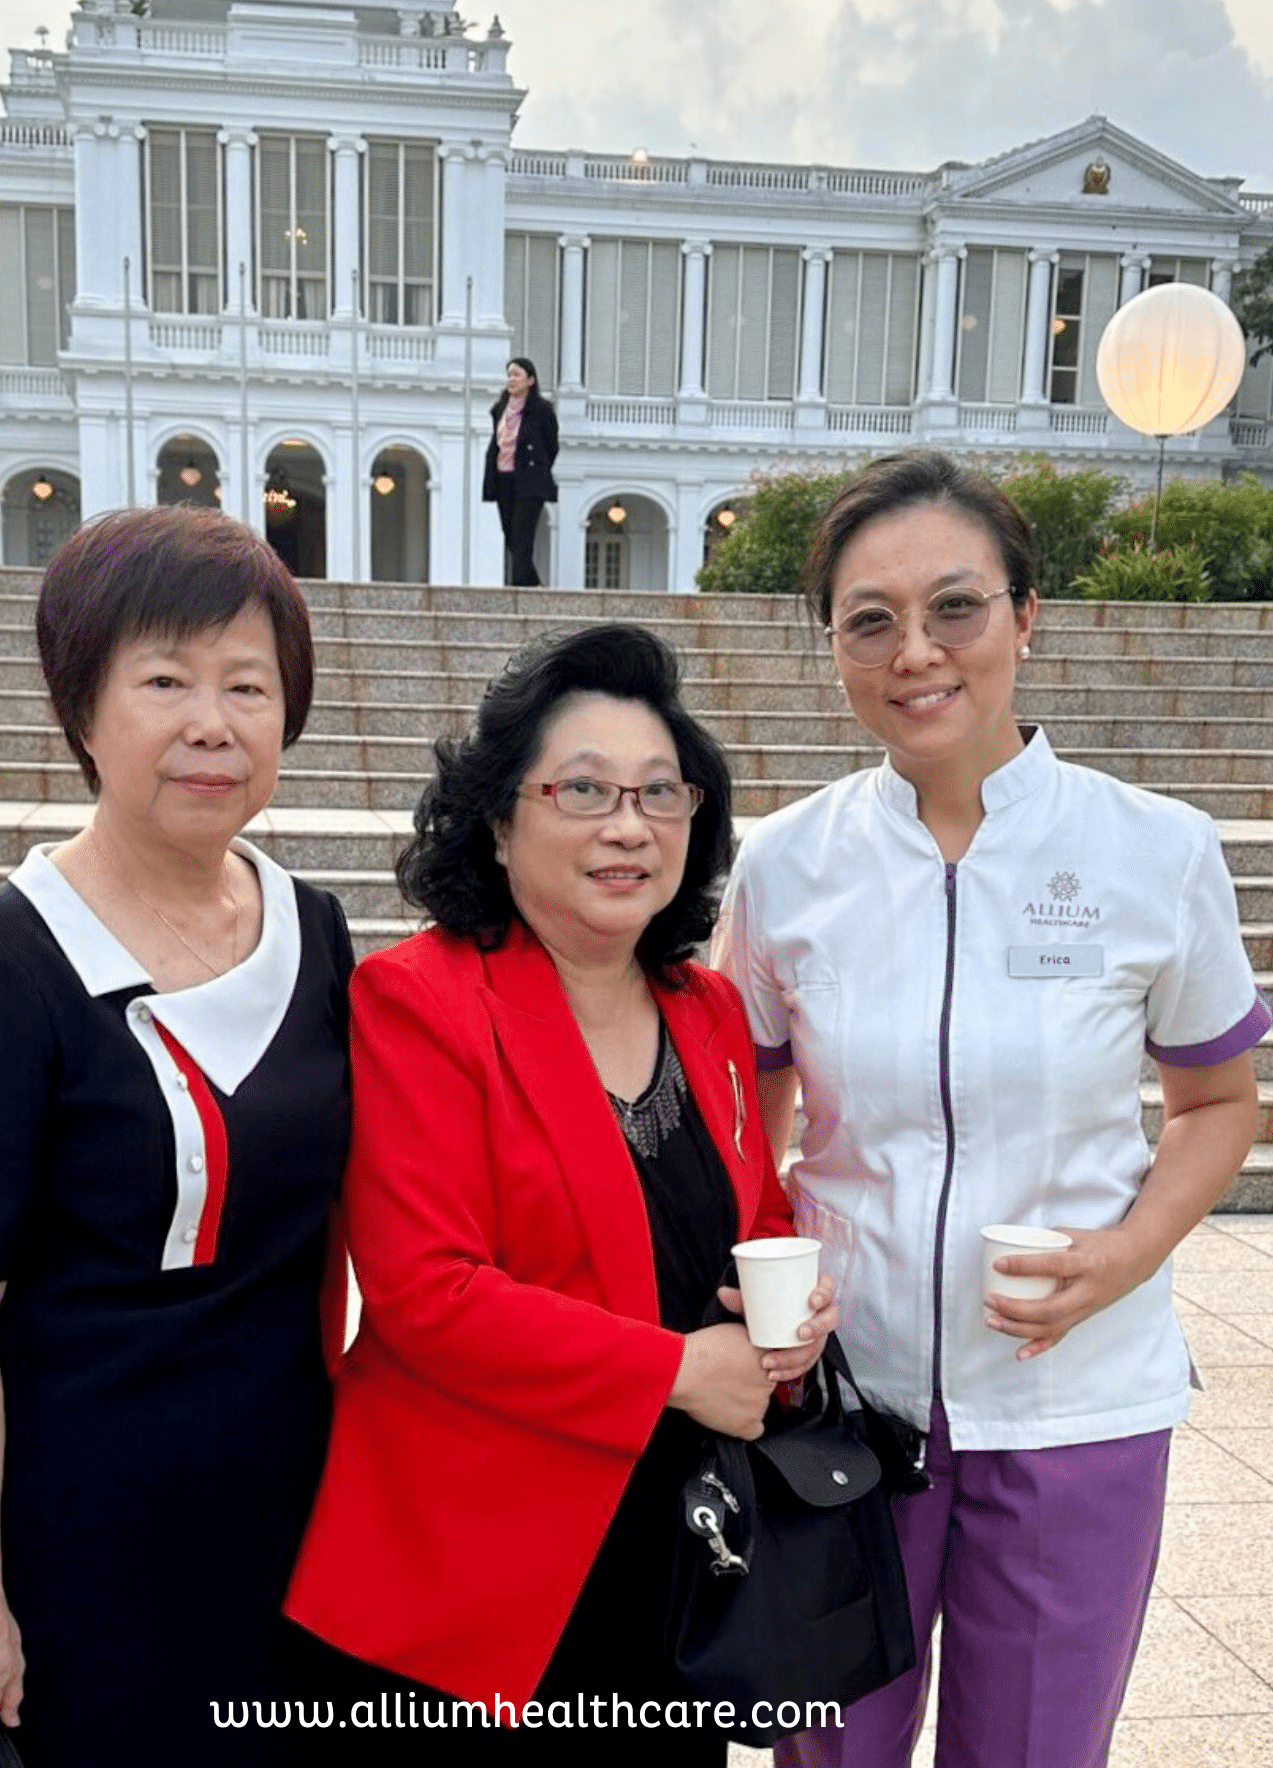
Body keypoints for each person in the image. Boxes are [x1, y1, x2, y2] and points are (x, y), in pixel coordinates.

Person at [712, 450, 1266, 1768]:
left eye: (955, 607)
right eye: (870, 621)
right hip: (845, 1408)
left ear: (1026, 615)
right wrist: (762, 1285)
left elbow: (1218, 1102)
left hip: (1075, 1404)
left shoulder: (1155, 850)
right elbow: (753, 1106)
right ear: (833, 647)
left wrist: (1125, 1257)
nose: (916, 653)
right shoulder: (788, 866)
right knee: (830, 1752)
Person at [285, 623, 839, 1760]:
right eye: (582, 790)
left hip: (678, 1553)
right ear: (498, 820)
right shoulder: (420, 1001)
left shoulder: (708, 1010)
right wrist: (682, 1370)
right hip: (481, 1578)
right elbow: (427, 1295)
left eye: (660, 793)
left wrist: (791, 1319)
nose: (629, 826)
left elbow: (753, 1216)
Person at [0, 507, 353, 1763]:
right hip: (77, 1537)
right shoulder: (0, 966)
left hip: (286, 1513)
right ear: (81, 710)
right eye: (165, 680)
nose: (214, 722)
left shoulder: (316, 929)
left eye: (249, 685)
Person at [482, 355, 558, 586]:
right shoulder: (499, 410)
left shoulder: (542, 410)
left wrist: (539, 469)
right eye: (509, 375)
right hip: (503, 478)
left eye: (516, 375)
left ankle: (519, 588)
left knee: (523, 537)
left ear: (530, 380)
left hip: (529, 480)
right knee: (511, 538)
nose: (511, 379)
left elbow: (551, 445)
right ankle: (533, 585)